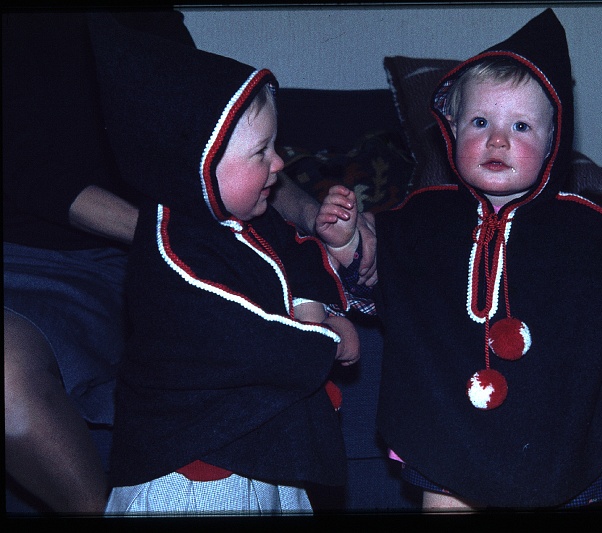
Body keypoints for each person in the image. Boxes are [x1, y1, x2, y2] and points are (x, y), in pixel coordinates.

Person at [316, 8, 602, 510]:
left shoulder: (588, 232)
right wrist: (345, 243)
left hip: (550, 433)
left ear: (554, 140)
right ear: (449, 129)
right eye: (479, 122)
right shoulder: (419, 219)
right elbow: (376, 291)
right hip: (450, 429)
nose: (497, 139)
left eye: (520, 125)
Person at [3, 10, 373, 515]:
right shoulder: (189, 242)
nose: (278, 162)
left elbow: (224, 141)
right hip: (44, 260)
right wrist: (326, 333)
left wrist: (313, 220)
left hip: (177, 231)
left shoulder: (153, 25)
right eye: (266, 153)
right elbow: (256, 338)